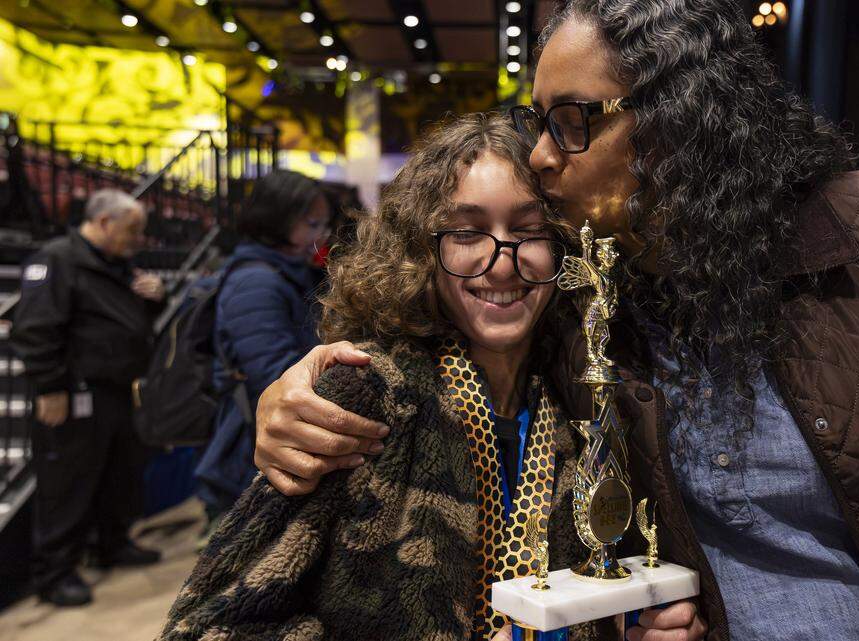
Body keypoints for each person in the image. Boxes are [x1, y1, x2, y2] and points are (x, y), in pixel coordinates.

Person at [251, 3, 859, 640]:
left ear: (677, 119)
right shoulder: (589, 286)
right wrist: (294, 389)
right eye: (538, 123)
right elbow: (446, 320)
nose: (544, 155)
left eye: (572, 121)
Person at [161, 114, 618, 641]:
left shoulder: (581, 398)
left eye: (530, 230)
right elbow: (206, 625)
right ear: (422, 250)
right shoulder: (369, 397)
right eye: (466, 231)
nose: (502, 264)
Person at [12, 189, 165, 607]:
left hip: (116, 391)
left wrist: (154, 300)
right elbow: (34, 329)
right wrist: (50, 387)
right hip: (74, 392)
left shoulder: (115, 263)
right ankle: (55, 573)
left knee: (117, 475)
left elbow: (117, 322)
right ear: (102, 222)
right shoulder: (57, 259)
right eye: (132, 230)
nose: (139, 238)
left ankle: (112, 544)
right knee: (67, 485)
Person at [194, 171, 330, 537]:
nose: (322, 233)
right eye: (312, 222)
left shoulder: (289, 271)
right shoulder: (256, 281)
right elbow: (274, 374)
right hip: (247, 454)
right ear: (279, 220)